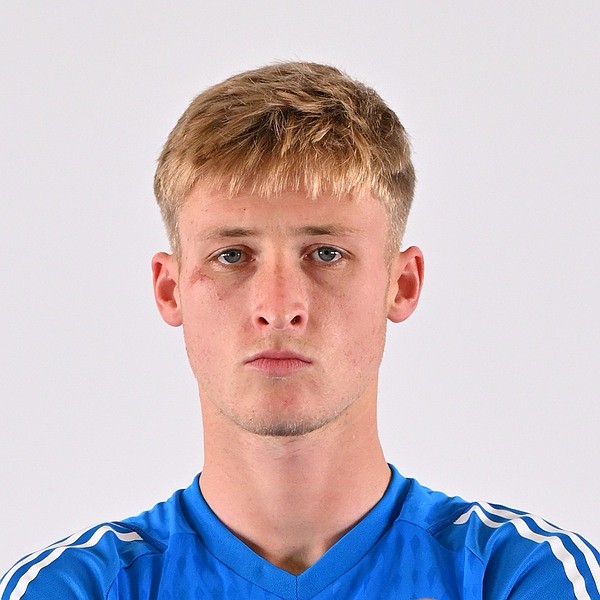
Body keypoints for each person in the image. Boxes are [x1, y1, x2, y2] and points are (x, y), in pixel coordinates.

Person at [1, 61, 599, 600]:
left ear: (403, 283)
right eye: (232, 255)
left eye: (326, 254)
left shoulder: (525, 577)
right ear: (170, 288)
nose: (279, 307)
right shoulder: (69, 589)